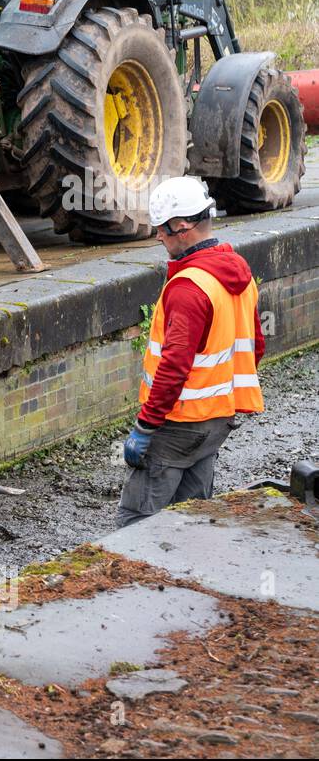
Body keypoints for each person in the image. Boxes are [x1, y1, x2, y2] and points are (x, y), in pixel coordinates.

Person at [117, 176, 265, 527]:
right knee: (194, 518)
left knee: (137, 521)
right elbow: (256, 345)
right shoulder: (239, 275)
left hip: (179, 422)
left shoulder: (189, 288)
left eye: (162, 231)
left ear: (181, 227)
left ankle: (134, 582)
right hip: (217, 419)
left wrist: (145, 426)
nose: (158, 237)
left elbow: (174, 366)